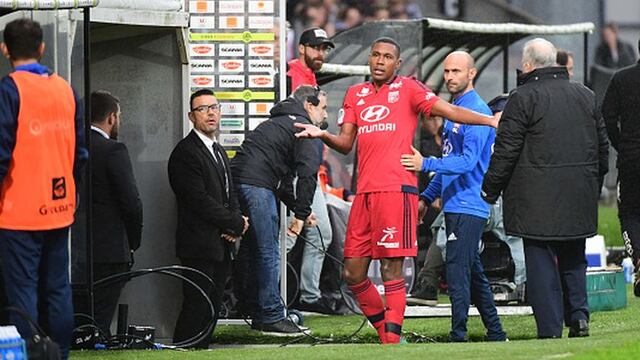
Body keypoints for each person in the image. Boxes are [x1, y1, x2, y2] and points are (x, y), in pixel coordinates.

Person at [295, 37, 499, 344]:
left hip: (397, 191)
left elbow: (447, 111)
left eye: (387, 57)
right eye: (375, 55)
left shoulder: (409, 89)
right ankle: (386, 333)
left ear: (397, 63)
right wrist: (322, 134)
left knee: (392, 270)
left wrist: (488, 120)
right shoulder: (355, 94)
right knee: (352, 274)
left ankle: (391, 341)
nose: (379, 61)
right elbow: (346, 143)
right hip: (364, 194)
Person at [481, 38, 609, 339]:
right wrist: (593, 183)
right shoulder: (586, 95)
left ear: (527, 65)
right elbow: (602, 149)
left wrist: (490, 188)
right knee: (574, 259)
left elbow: (506, 149)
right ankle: (578, 318)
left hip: (534, 199)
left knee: (541, 265)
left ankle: (550, 328)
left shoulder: (521, 98)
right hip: (578, 192)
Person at [401, 51, 506, 342]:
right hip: (455, 204)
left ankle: (458, 336)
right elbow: (452, 159)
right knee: (472, 272)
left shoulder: (477, 112)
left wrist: (427, 164)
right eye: (447, 72)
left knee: (458, 272)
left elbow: (468, 162)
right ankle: (496, 333)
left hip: (471, 204)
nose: (449, 77)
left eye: (456, 71)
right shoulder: (455, 110)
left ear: (471, 74)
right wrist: (426, 196)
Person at [0, 19, 87, 359]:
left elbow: (2, 154)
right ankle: (60, 353)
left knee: (22, 293)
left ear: (6, 49)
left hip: (18, 211)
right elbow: (80, 152)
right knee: (57, 288)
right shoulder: (65, 89)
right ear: (41, 48)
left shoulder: (10, 90)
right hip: (59, 207)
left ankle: (31, 353)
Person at [231, 85, 327, 336]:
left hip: (238, 182)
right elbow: (307, 176)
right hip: (256, 186)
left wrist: (300, 210)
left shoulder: (280, 122)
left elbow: (284, 181)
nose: (325, 116)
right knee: (267, 251)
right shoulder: (304, 127)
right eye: (323, 109)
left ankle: (252, 307)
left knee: (252, 250)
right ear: (309, 105)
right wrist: (301, 214)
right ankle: (271, 314)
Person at [169, 89, 249, 348]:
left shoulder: (218, 150)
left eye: (214, 107)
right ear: (192, 116)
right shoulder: (185, 153)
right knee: (196, 306)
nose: (211, 112)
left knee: (212, 306)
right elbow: (199, 200)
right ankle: (183, 350)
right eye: (203, 109)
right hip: (198, 245)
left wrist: (235, 225)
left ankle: (200, 349)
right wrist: (235, 223)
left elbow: (229, 194)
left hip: (221, 244)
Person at [287, 27, 336, 314]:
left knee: (321, 233)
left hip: (309, 168)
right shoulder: (290, 74)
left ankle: (308, 295)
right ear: (302, 48)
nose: (321, 54)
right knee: (290, 235)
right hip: (293, 168)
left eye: (324, 49)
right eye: (316, 48)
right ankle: (273, 297)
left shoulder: (311, 78)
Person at [90, 90, 143, 336]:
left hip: (71, 249)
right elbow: (131, 202)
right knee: (99, 321)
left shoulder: (66, 146)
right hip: (109, 250)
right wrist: (132, 242)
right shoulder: (113, 150)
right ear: (111, 118)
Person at [601, 37, 640, 297]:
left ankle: (638, 259)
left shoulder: (621, 78)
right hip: (630, 154)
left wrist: (622, 144)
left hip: (631, 158)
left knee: (629, 213)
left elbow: (607, 116)